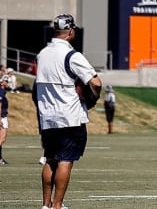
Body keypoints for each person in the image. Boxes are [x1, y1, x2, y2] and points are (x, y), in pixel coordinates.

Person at [35, 14, 101, 209]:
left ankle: (46, 205)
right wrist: (93, 97)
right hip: (69, 116)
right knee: (66, 160)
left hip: (47, 116)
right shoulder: (72, 55)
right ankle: (58, 205)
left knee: (50, 159)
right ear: (70, 32)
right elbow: (96, 82)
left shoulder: (43, 53)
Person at [0, 74, 8, 165]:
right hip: (2, 117)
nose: (7, 83)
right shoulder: (1, 91)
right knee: (2, 139)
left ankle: (0, 158)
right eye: (6, 81)